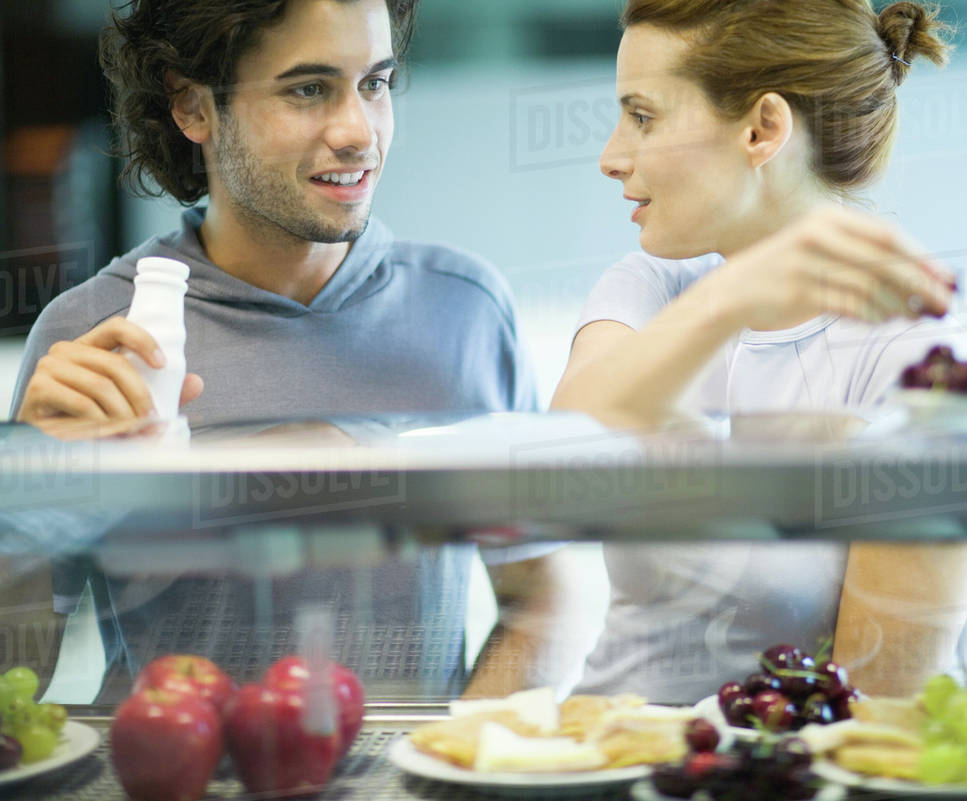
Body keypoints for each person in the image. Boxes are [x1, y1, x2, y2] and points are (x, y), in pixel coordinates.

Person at [9, 0, 564, 701]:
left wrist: (459, 752)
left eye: (375, 83)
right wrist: (26, 494)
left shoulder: (467, 310)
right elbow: (14, 678)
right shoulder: (88, 335)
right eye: (308, 89)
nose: (359, 132)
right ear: (192, 107)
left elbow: (542, 594)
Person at [552, 0, 967, 700]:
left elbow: (873, 710)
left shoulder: (922, 367)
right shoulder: (651, 284)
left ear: (762, 130)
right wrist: (736, 295)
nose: (611, 156)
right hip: (609, 750)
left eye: (643, 116)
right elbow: (564, 449)